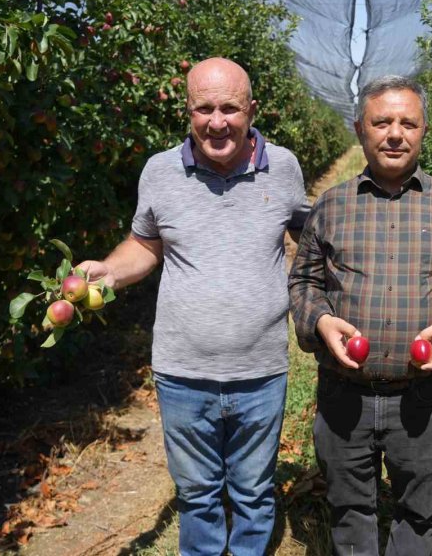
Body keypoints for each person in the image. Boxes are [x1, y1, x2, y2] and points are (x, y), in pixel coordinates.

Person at [77, 57, 309, 556]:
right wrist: (109, 271)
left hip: (260, 370)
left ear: (251, 110)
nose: (217, 121)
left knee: (252, 492)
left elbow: (310, 244)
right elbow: (145, 245)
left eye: (229, 108)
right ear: (188, 112)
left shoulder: (284, 167)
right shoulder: (160, 172)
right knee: (198, 494)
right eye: (204, 108)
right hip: (182, 371)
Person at [288, 75, 432, 556]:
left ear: (425, 130)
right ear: (361, 130)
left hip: (422, 395)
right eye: (382, 122)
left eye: (408, 123)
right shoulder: (332, 206)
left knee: (419, 509)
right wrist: (320, 320)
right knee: (349, 505)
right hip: (344, 392)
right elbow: (303, 283)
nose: (395, 134)